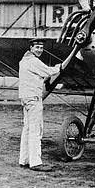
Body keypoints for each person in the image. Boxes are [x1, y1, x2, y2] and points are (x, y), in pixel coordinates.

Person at [18, 38, 74, 172]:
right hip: (34, 98)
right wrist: (62, 65)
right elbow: (49, 71)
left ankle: (24, 160)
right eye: (37, 47)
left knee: (27, 129)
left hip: (26, 97)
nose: (39, 50)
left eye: (41, 48)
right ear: (31, 48)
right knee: (36, 130)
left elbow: (41, 75)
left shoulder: (23, 60)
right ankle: (36, 162)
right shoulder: (33, 61)